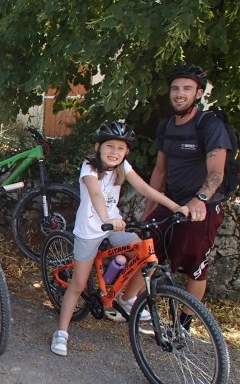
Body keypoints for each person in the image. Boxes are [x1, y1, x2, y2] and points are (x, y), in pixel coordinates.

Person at [51, 121, 190, 356]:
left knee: (146, 253)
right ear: (98, 147)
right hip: (90, 229)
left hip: (112, 225)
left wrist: (176, 207)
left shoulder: (122, 166)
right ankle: (62, 332)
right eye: (110, 146)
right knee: (78, 284)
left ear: (127, 152)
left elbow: (145, 189)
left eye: (121, 148)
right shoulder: (89, 167)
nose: (115, 152)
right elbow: (95, 193)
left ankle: (127, 298)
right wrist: (106, 217)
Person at [141, 64, 231, 328]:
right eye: (176, 88)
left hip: (202, 208)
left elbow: (216, 173)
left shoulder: (209, 125)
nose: (180, 94)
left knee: (195, 268)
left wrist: (198, 199)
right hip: (171, 202)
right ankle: (131, 304)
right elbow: (160, 171)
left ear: (198, 93)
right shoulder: (167, 125)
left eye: (187, 89)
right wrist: (149, 210)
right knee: (145, 250)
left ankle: (184, 323)